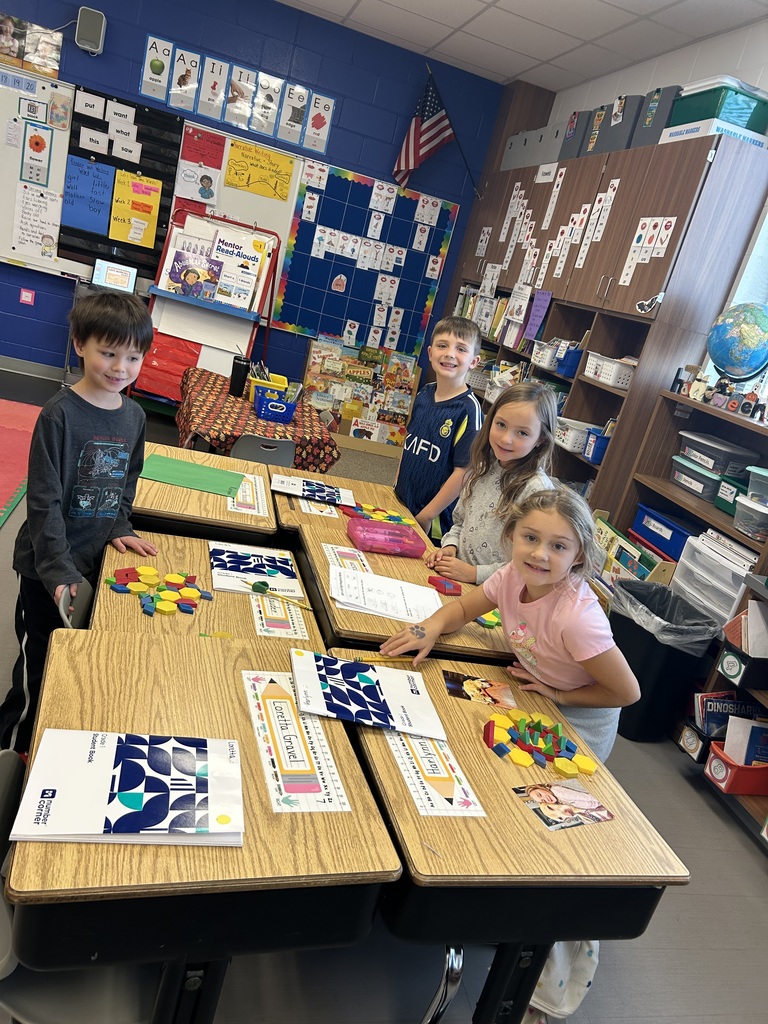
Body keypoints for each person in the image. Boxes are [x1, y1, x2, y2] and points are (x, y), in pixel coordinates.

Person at [381, 486, 640, 1024]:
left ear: (580, 557)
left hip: (577, 721)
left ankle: (551, 969)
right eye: (530, 538)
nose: (540, 555)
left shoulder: (578, 616)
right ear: (511, 538)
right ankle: (492, 897)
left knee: (550, 826)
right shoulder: (508, 577)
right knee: (499, 789)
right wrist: (430, 626)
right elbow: (462, 607)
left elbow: (626, 692)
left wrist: (560, 694)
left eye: (558, 546)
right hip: (536, 698)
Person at [0, 292, 158, 753]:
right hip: (45, 566)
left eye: (133, 356)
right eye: (108, 352)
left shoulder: (135, 416)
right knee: (41, 667)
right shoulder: (59, 415)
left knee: (76, 660)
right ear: (80, 346)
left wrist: (119, 526)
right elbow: (43, 502)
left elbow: (127, 478)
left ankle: (58, 738)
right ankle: (19, 746)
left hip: (93, 558)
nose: (119, 367)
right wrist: (58, 571)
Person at [427, 381, 557, 584]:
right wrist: (450, 547)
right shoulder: (483, 466)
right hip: (458, 579)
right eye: (501, 425)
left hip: (494, 596)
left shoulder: (537, 491)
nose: (506, 439)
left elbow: (532, 564)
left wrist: (474, 574)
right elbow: (460, 521)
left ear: (541, 439)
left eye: (522, 433)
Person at [394, 316, 483, 539]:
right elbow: (410, 444)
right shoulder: (424, 393)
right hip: (402, 502)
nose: (450, 354)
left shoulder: (469, 411)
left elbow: (463, 473)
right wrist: (395, 486)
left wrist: (425, 517)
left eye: (461, 349)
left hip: (431, 523)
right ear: (430, 352)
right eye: (442, 345)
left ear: (474, 361)